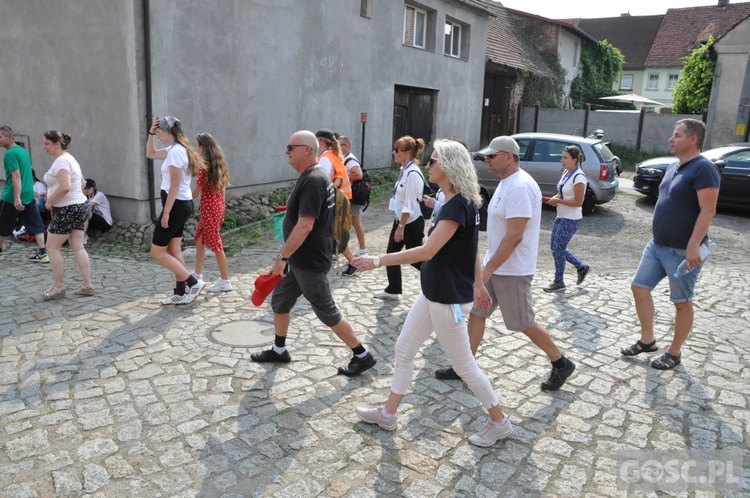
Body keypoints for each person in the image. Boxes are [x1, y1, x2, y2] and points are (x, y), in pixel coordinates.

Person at [352, 139, 512, 446]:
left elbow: (427, 251)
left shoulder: (456, 206)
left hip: (447, 299)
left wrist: (376, 260)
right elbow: (472, 249)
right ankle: (388, 413)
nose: (429, 165)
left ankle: (499, 421)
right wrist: (478, 283)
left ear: (449, 167)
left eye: (434, 161)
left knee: (464, 365)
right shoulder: (460, 201)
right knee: (403, 349)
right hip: (434, 293)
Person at [433, 136, 576, 391]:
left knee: (523, 322)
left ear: (508, 157)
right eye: (487, 156)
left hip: (513, 270)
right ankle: (464, 367)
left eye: (492, 155)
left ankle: (561, 362)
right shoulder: (507, 183)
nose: (487, 160)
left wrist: (486, 271)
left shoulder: (520, 186)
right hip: (498, 266)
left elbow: (514, 236)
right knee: (478, 313)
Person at [250, 130, 376, 376]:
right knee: (280, 302)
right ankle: (279, 350)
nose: (286, 152)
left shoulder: (313, 180)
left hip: (308, 262)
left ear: (307, 150)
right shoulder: (313, 176)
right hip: (299, 260)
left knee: (327, 312)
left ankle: (362, 355)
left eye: (290, 147)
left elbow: (305, 225)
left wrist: (281, 257)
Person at [621, 119, 720, 370]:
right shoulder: (675, 165)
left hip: (682, 250)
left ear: (692, 139)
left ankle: (674, 353)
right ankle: (647, 340)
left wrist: (693, 245)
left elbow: (708, 210)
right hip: (657, 245)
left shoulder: (704, 169)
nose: (670, 139)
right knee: (639, 287)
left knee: (681, 301)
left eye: (676, 135)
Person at [146, 115, 206, 305]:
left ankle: (193, 282)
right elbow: (151, 153)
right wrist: (150, 132)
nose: (157, 136)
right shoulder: (176, 149)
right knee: (173, 250)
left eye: (159, 132)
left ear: (168, 132)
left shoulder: (175, 153)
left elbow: (174, 185)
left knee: (157, 252)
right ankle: (180, 292)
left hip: (176, 205)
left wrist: (165, 213)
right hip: (180, 204)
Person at [40, 130, 94, 299]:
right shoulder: (70, 159)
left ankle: (58, 287)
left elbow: (65, 186)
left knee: (52, 247)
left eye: (47, 143)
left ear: (58, 144)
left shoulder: (62, 161)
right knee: (78, 246)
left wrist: (49, 201)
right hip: (79, 206)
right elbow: (83, 183)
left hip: (67, 209)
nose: (44, 147)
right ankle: (87, 285)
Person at [375, 135, 426, 301]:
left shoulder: (412, 173)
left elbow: (410, 203)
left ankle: (438, 277)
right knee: (392, 253)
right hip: (402, 220)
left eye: (397, 150)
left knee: (415, 259)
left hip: (410, 222)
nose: (393, 152)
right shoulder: (404, 170)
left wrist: (401, 226)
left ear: (408, 153)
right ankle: (393, 289)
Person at [542, 144, 590, 292]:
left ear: (575, 160)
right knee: (555, 248)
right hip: (561, 215)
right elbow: (562, 192)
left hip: (571, 218)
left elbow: (579, 202)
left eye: (565, 158)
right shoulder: (566, 172)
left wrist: (559, 201)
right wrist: (554, 198)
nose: (562, 160)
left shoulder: (579, 177)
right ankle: (581, 267)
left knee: (558, 249)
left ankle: (559, 282)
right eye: (562, 157)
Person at [0, 125, 48, 262]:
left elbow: (16, 176)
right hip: (28, 193)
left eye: (0, 137)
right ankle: (43, 253)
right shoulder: (22, 151)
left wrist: (16, 198)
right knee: (36, 223)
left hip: (11, 196)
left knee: (2, 223)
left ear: (9, 137)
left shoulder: (10, 154)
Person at [192, 132, 232, 292]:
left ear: (203, 147)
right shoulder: (218, 164)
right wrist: (222, 207)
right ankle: (197, 274)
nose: (196, 148)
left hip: (210, 209)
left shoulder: (204, 168)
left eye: (197, 145)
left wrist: (178, 197)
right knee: (200, 240)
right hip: (216, 207)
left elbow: (195, 192)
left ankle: (225, 280)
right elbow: (222, 190)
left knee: (216, 245)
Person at [315, 129, 358, 275]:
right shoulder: (332, 155)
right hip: (337, 201)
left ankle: (353, 262)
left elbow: (322, 182)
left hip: (332, 202)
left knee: (336, 235)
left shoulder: (325, 158)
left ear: (321, 141)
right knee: (332, 234)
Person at [339, 135, 367, 257]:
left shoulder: (350, 160)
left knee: (353, 223)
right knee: (351, 223)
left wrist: (343, 180)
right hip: (349, 196)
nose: (337, 147)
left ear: (346, 146)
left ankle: (362, 250)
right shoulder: (345, 158)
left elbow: (358, 174)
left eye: (339, 145)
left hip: (353, 197)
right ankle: (359, 249)